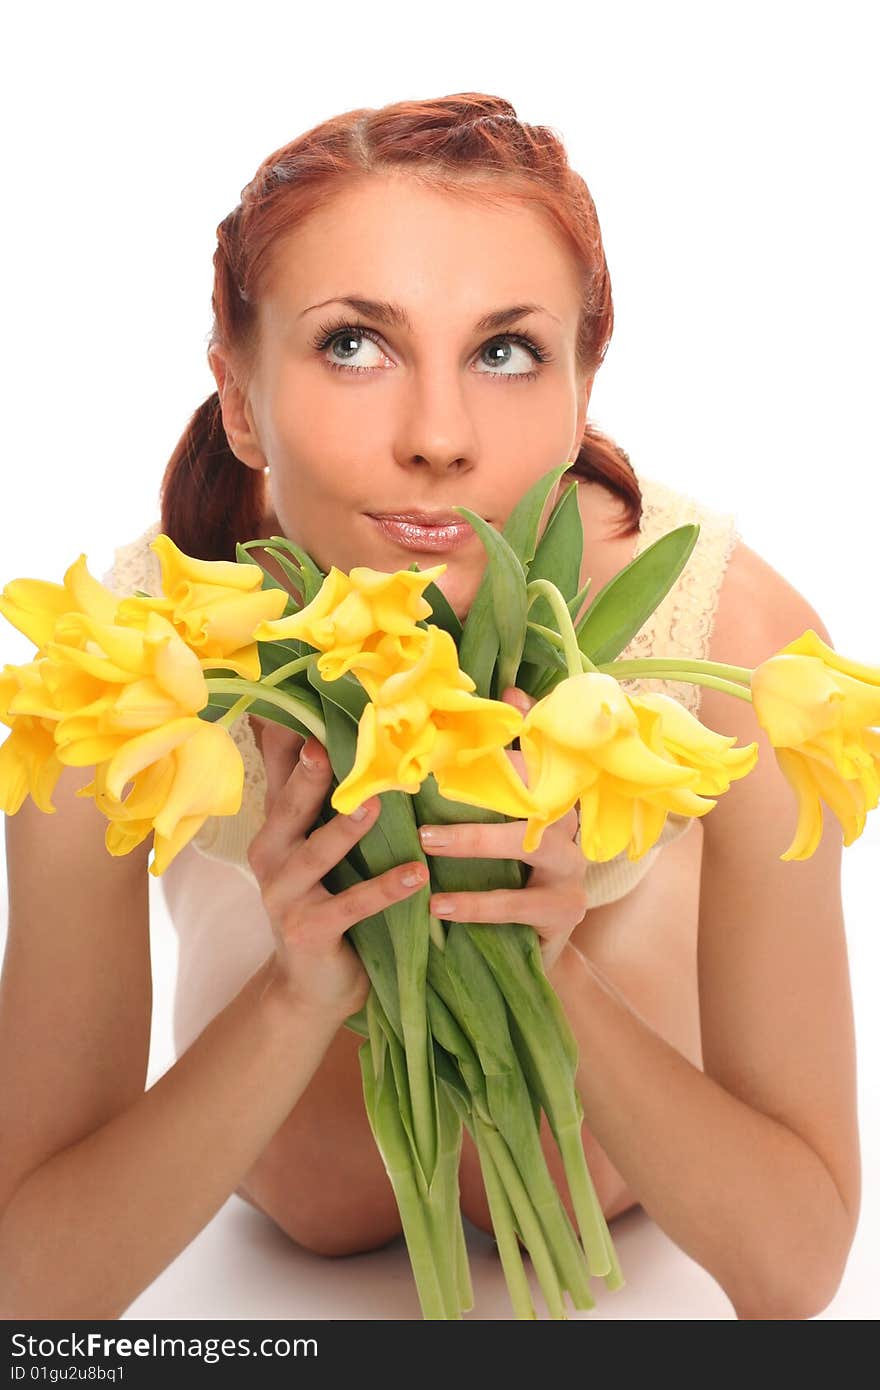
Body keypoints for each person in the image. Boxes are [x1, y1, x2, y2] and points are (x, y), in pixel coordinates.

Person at [0, 92, 860, 1321]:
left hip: (587, 1183)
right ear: (238, 396)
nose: (438, 438)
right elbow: (34, 1293)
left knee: (578, 1109)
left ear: (581, 392)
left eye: (505, 350)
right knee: (315, 1132)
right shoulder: (118, 674)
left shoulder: (735, 642)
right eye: (354, 342)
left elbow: (796, 1274)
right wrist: (300, 987)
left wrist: (549, 963)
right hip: (306, 1189)